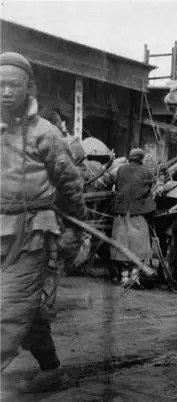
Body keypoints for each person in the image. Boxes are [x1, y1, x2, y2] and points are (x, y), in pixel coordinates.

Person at [0, 52, 85, 392]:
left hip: (33, 231)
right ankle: (52, 369)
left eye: (13, 85)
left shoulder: (45, 134)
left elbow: (71, 186)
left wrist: (75, 234)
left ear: (29, 88)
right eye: (0, 84)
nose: (6, 91)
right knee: (27, 308)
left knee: (10, 308)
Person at [101, 148, 156, 287]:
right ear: (141, 159)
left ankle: (124, 277)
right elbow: (153, 191)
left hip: (121, 213)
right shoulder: (147, 172)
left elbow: (107, 180)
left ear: (129, 158)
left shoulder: (119, 170)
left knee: (121, 246)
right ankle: (135, 277)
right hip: (138, 214)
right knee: (140, 248)